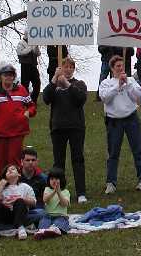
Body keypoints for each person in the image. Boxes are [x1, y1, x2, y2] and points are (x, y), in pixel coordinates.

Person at [98, 55, 141, 194]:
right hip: (114, 120)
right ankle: (111, 182)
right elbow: (105, 98)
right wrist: (118, 86)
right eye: (118, 66)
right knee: (113, 152)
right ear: (112, 69)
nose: (121, 68)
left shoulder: (131, 80)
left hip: (131, 118)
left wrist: (128, 83)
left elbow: (138, 94)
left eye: (122, 65)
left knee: (137, 150)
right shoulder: (106, 83)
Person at [42, 57, 87, 204]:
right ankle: (58, 192)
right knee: (58, 162)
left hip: (76, 127)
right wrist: (55, 79)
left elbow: (80, 99)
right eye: (64, 67)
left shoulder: (79, 84)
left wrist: (66, 84)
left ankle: (81, 193)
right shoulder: (54, 86)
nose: (67, 69)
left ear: (73, 69)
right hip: (58, 127)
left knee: (77, 159)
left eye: (70, 67)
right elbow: (46, 98)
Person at [0, 63, 36, 178]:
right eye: (5, 75)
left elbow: (32, 106)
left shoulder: (21, 90)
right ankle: (3, 188)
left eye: (11, 75)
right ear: (0, 77)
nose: (8, 77)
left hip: (17, 132)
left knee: (14, 162)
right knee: (1, 163)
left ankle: (15, 189)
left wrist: (28, 113)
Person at [0, 164, 37, 242]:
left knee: (20, 201)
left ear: (19, 174)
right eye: (7, 171)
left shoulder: (25, 187)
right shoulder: (2, 188)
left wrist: (20, 199)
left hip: (20, 214)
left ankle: (20, 228)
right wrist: (1, 187)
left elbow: (33, 203)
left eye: (13, 169)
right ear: (5, 176)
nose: (10, 170)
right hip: (6, 215)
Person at [34, 167, 70, 240]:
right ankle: (42, 231)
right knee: (44, 221)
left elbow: (64, 204)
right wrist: (54, 192)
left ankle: (55, 229)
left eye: (56, 179)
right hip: (48, 215)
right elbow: (45, 200)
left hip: (61, 216)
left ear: (61, 180)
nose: (54, 181)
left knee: (61, 222)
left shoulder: (66, 192)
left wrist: (59, 192)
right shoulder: (47, 189)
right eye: (51, 179)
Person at [16, 34, 41, 103]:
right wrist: (30, 47)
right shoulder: (21, 43)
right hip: (25, 65)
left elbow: (38, 53)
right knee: (25, 85)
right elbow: (20, 52)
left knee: (37, 83)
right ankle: (25, 101)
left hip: (33, 65)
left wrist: (36, 47)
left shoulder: (33, 42)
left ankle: (33, 100)